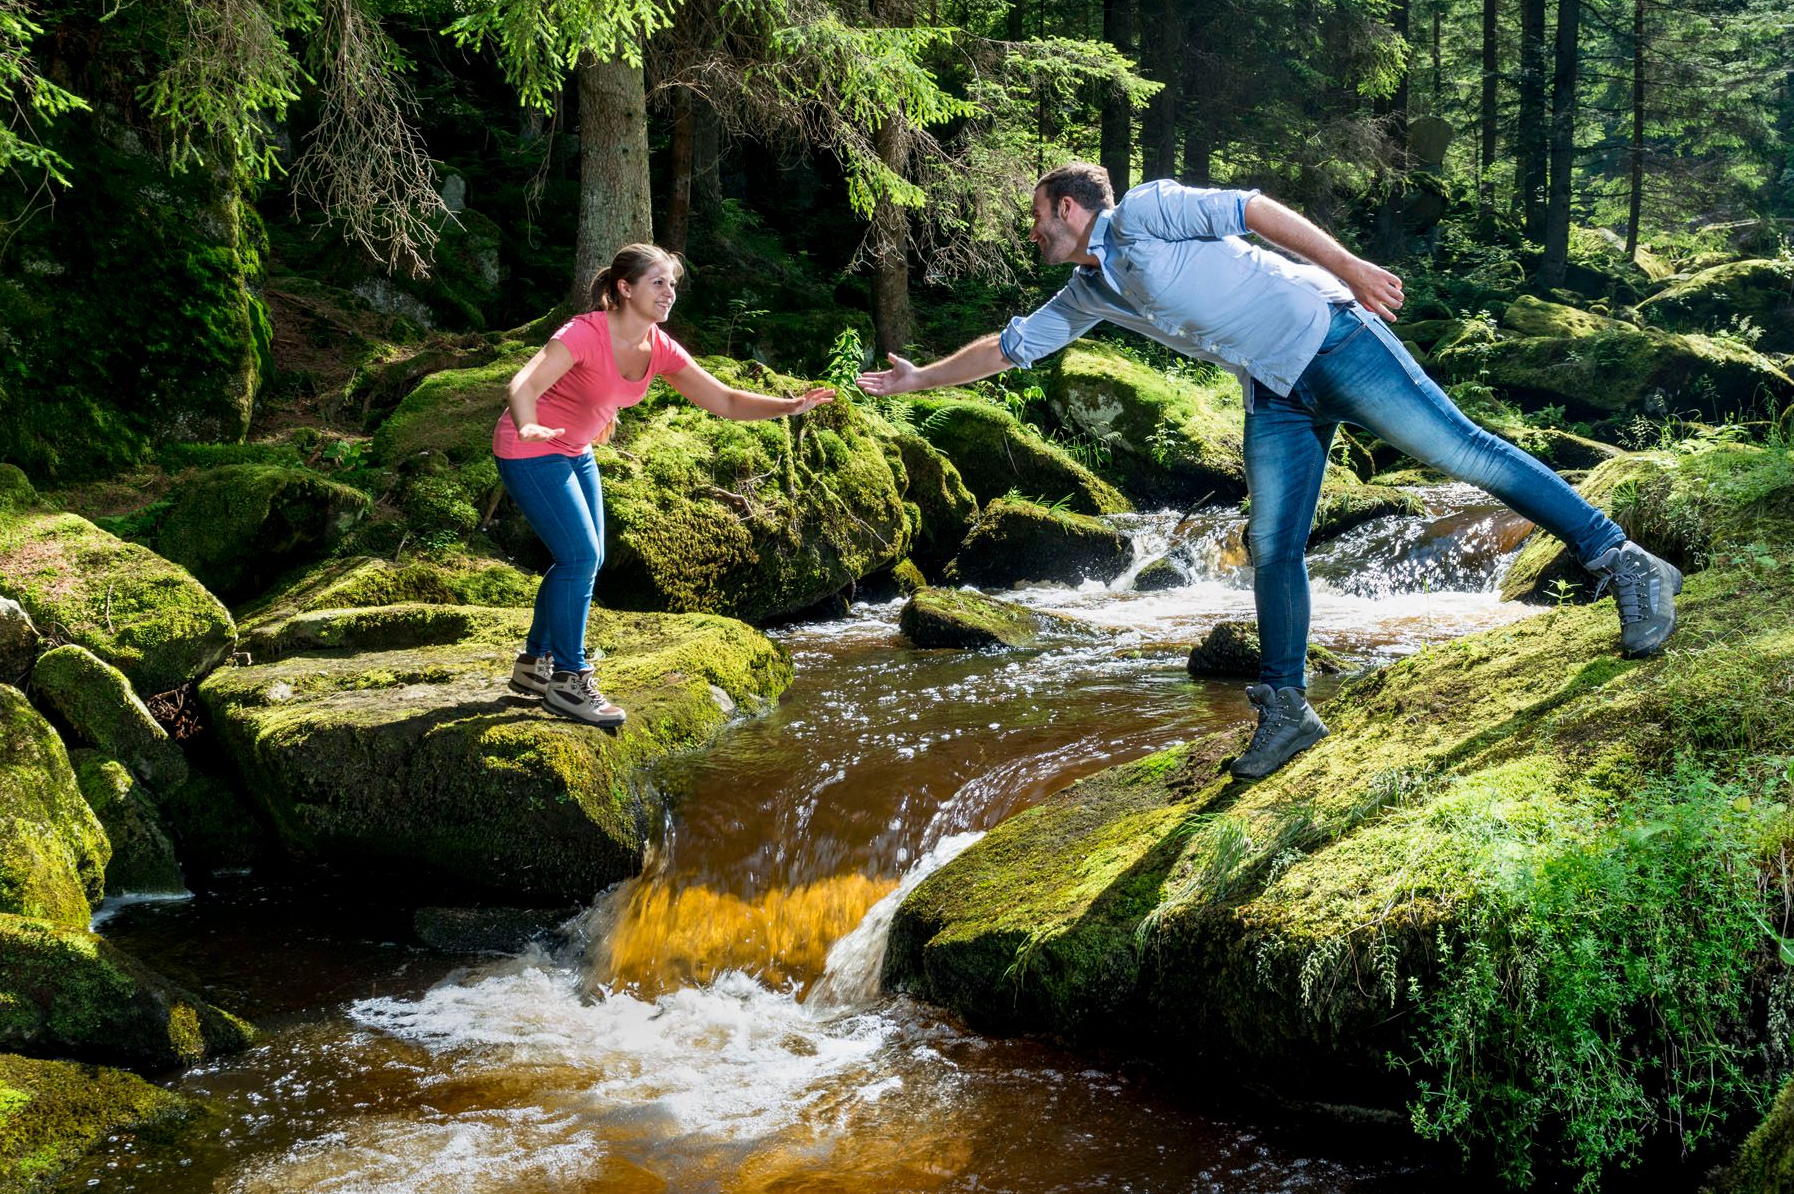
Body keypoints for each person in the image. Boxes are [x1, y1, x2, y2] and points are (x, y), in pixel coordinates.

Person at [858, 164, 1683, 779]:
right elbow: (1010, 347)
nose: (1032, 232)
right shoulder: (1087, 290)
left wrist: (1350, 267)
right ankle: (1287, 710)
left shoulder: (1146, 210)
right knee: (1273, 544)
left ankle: (1626, 561)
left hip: (1335, 338)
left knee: (1464, 453)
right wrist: (918, 380)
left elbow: (1253, 210)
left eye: (1037, 218)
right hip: (1275, 389)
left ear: (1069, 209)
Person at [499, 242, 835, 729]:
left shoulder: (657, 346)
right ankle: (569, 681)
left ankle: (535, 663)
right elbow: (523, 384)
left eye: (672, 284)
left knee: (584, 557)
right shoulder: (584, 333)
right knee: (580, 557)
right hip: (528, 448)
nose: (669, 292)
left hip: (575, 451)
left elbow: (724, 400)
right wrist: (528, 422)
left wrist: (790, 406)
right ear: (624, 287)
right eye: (658, 282)